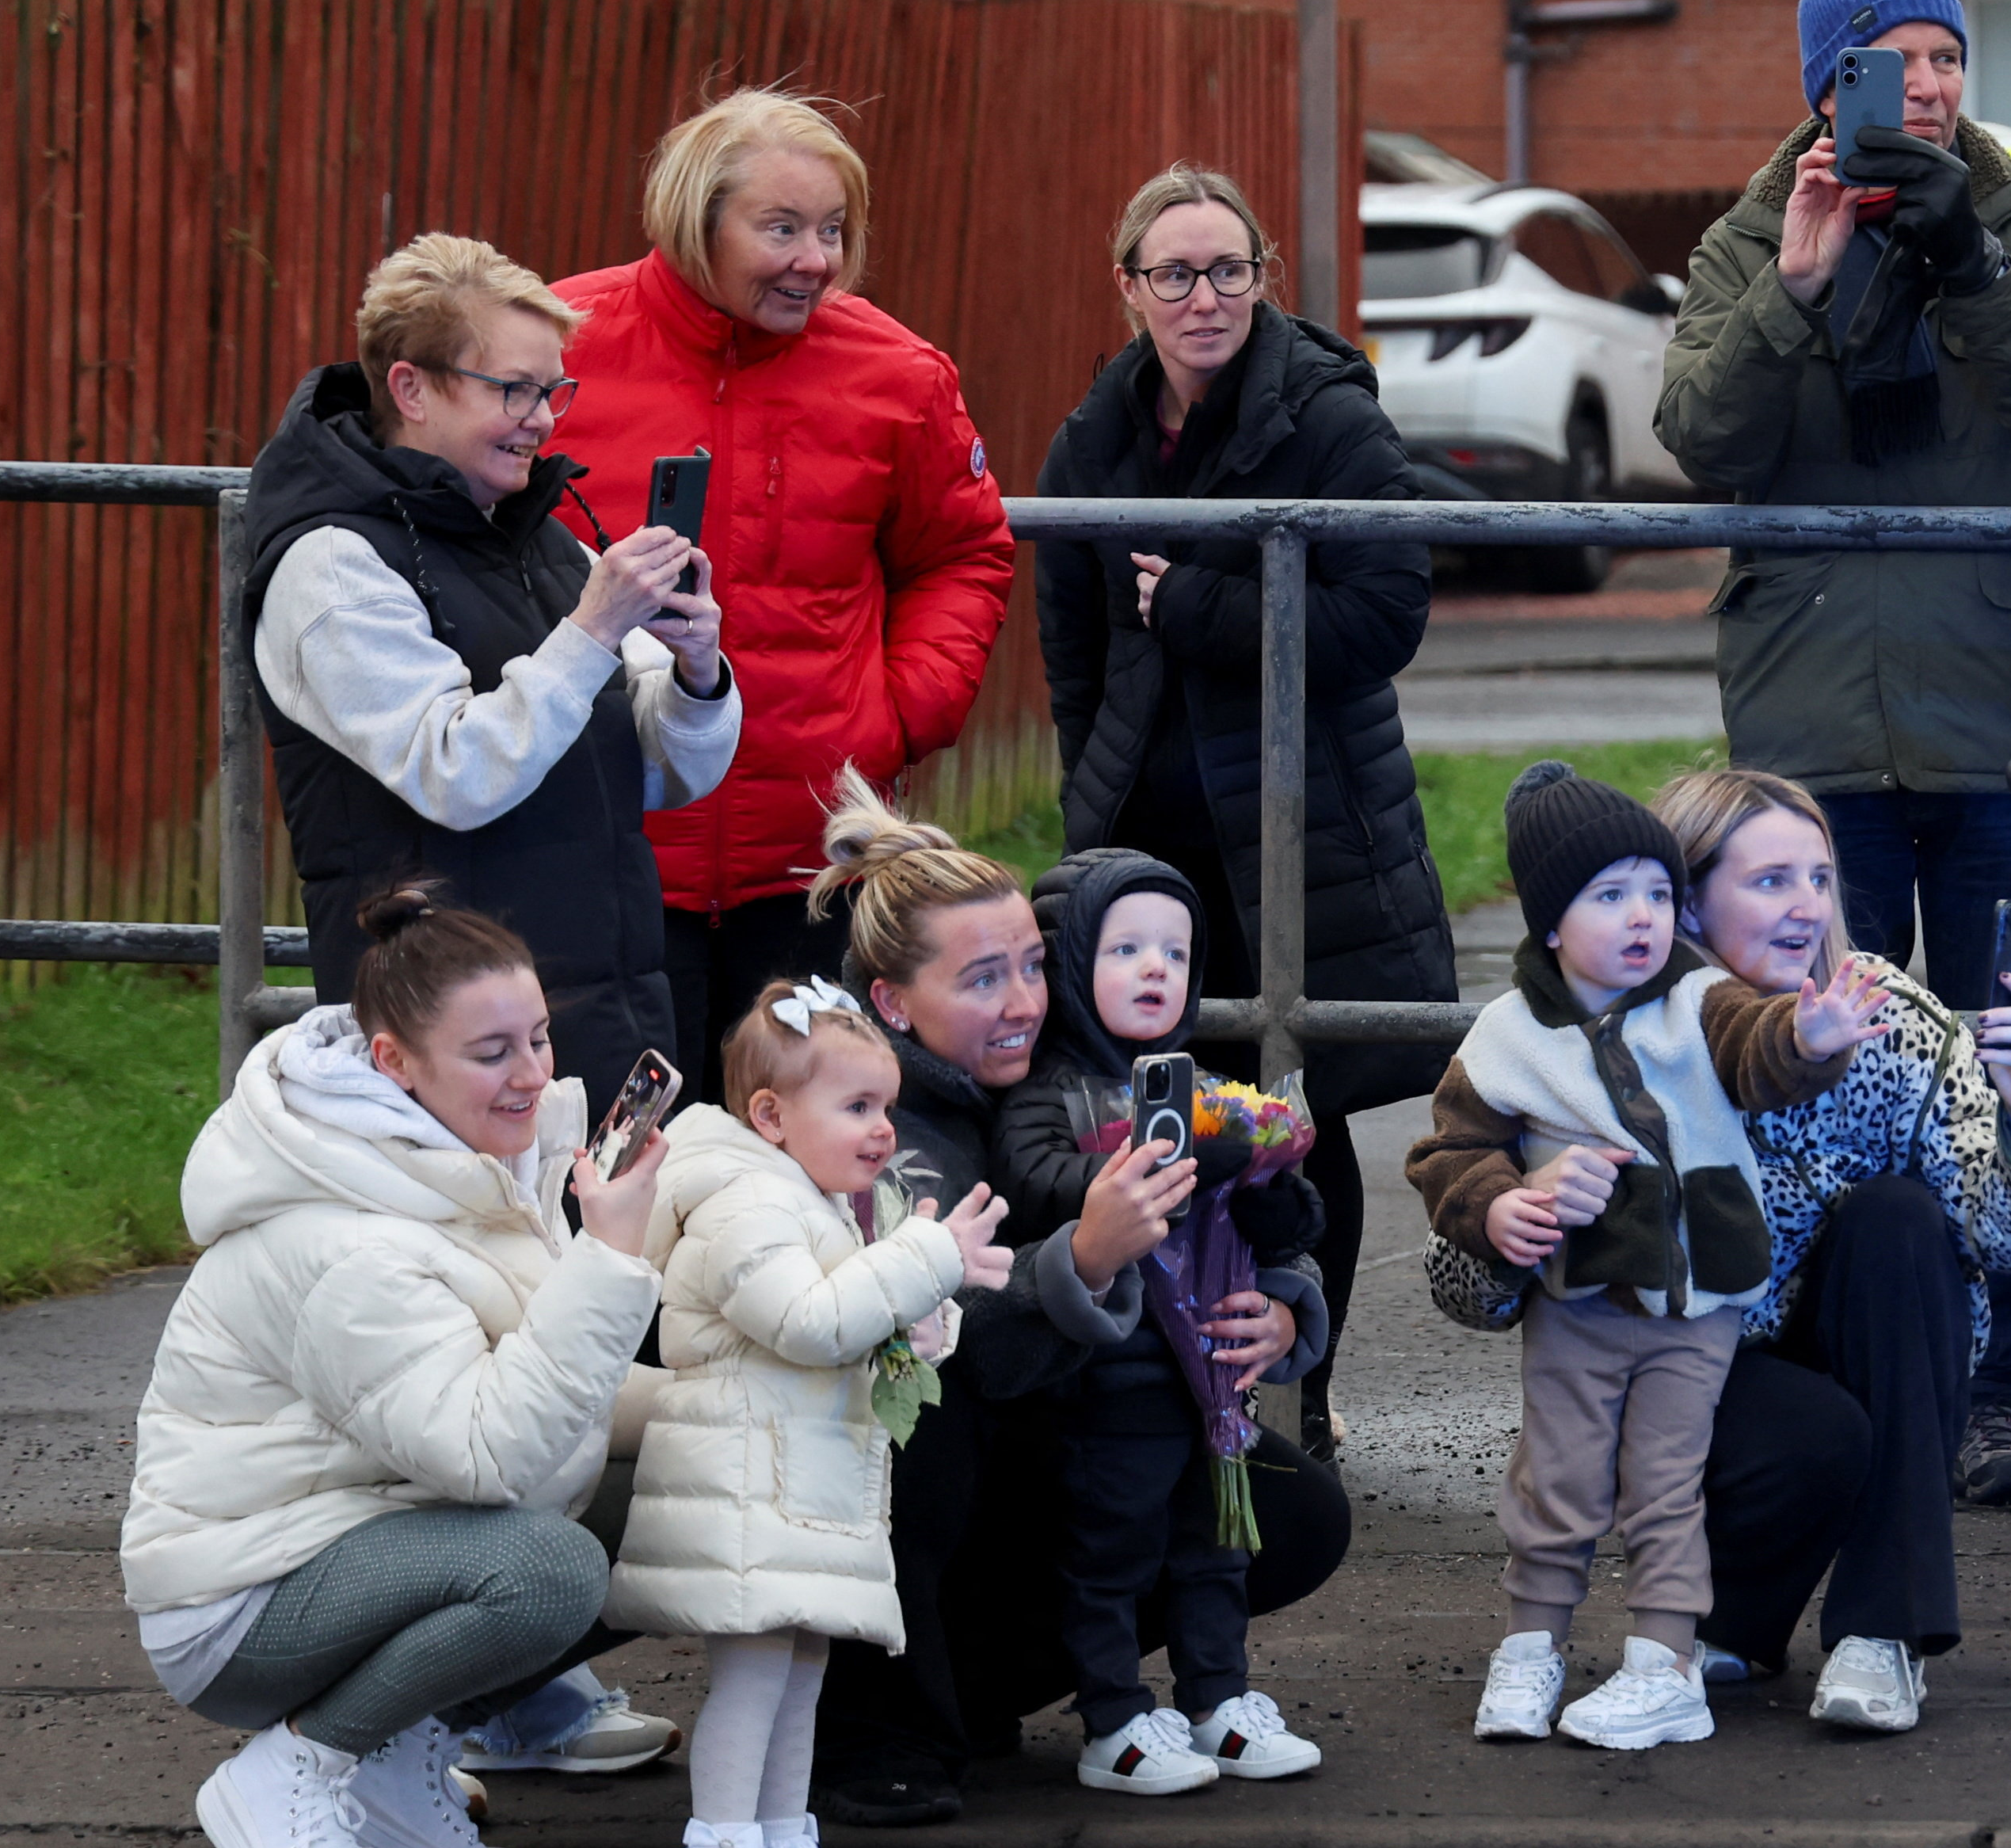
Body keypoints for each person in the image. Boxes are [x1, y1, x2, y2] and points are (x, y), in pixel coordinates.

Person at [1655, 0, 2011, 1508]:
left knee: (1994, 1051)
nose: (1920, 89)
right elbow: (1701, 437)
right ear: (1822, 87)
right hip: (1816, 736)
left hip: (1996, 720)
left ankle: (1997, 1394)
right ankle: (1833, 1376)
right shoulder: (1747, 239)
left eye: (1941, 59)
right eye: (1885, 63)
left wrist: (1968, 261)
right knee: (1825, 1054)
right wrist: (1795, 284)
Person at [125, 888, 665, 1848]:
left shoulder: (470, 1165)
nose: (533, 1073)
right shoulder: (351, 1243)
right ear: (392, 1062)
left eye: (540, 1036)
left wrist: (720, 1410)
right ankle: (295, 1769)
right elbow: (494, 1452)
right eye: (491, 1050)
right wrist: (610, 1255)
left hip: (363, 1538)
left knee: (688, 1473)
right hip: (241, 1601)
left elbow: (536, 1391)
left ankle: (394, 1757)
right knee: (548, 1571)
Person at [1032, 163, 1456, 1460]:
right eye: (1174, 273)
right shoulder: (1095, 435)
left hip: (1293, 830)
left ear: (1265, 277)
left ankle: (1295, 1391)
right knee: (1157, 1104)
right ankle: (1177, 1376)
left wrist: (1208, 609)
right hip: (1149, 844)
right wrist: (1090, 799)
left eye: (1228, 270)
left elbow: (1388, 610)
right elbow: (1073, 644)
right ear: (1131, 287)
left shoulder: (1324, 419)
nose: (1203, 296)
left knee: (1289, 1104)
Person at [556, 90, 1023, 1103]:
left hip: (812, 866)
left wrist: (897, 719)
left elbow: (964, 553)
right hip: (614, 854)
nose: (815, 258)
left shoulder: (897, 375)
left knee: (807, 1169)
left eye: (833, 230)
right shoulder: (557, 348)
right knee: (620, 1162)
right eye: (782, 228)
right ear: (695, 219)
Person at [1402, 764, 1876, 1752]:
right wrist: (1501, 1209)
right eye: (1610, 895)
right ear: (1548, 923)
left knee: (1668, 1479)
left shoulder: (1702, 1000)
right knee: (1558, 1477)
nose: (1643, 917)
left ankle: (1662, 1664)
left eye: (1659, 893)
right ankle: (1531, 1645)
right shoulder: (1503, 1037)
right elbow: (1447, 1154)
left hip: (1698, 1303)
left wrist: (1814, 1034)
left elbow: (1761, 1052)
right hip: (1576, 1301)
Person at [246, 235, 738, 1118]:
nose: (544, 419)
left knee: (609, 1256)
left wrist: (700, 676)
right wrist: (592, 631)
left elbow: (665, 774)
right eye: (514, 389)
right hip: (441, 1054)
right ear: (412, 388)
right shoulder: (330, 564)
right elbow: (459, 773)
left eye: (554, 389)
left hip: (604, 1019)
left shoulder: (542, 537)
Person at [1647, 764, 2011, 1731]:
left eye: (1818, 876)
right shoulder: (1625, 1032)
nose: (1806, 905)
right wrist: (1523, 1218)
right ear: (1686, 903)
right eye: (1769, 881)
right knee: (1811, 1426)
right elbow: (1475, 1285)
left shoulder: (1888, 1016)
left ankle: (1882, 1633)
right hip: (1693, 1379)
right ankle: (1724, 1616)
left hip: (1881, 1353)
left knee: (1897, 1219)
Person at [794, 774, 1188, 1828]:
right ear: (890, 1000)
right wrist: (1088, 1258)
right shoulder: (877, 1124)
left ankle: (967, 1682)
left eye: (1031, 966)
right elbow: (941, 1354)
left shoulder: (1056, 1077)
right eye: (982, 978)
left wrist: (1276, 1310)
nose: (1023, 1000)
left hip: (1031, 1437)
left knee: (1283, 1507)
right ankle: (876, 1723)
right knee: (924, 1417)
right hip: (845, 1461)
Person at [606, 977, 1007, 1848]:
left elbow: (852, 1325)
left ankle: (783, 1838)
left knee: (799, 1671)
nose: (881, 1129)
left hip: (796, 1481)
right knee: (754, 1678)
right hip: (749, 1482)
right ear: (772, 1115)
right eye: (858, 1106)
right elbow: (807, 1322)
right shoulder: (747, 1203)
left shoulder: (809, 1199)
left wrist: (924, 1307)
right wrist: (924, 1255)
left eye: (886, 1107)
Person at [989, 845, 1342, 1797]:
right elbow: (1034, 1179)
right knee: (1110, 1552)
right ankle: (1112, 1718)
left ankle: (1218, 1700)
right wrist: (1129, 1167)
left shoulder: (1204, 1085)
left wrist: (1265, 1177)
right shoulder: (1047, 1092)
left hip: (1211, 1384)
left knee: (1214, 1546)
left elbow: (1287, 1222)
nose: (1157, 968)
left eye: (1176, 953)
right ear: (1070, 967)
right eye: (1127, 948)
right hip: (1110, 1385)